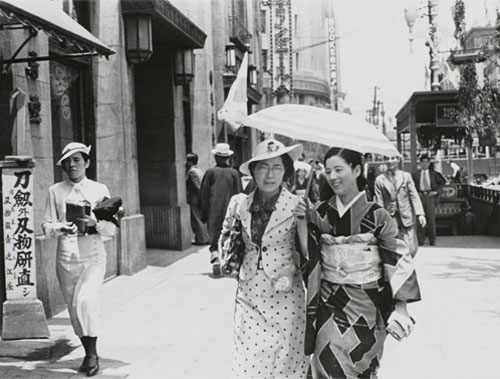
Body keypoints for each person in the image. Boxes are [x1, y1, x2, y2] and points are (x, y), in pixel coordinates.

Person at [295, 147, 421, 379]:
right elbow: (308, 253)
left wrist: (401, 306)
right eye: (328, 170)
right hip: (330, 302)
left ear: (355, 170)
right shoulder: (320, 212)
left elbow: (397, 256)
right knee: (326, 363)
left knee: (361, 366)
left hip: (368, 304)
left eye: (339, 169)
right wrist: (303, 220)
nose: (332, 176)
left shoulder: (377, 215)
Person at [219, 138, 309, 378]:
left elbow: (307, 253)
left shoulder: (297, 205)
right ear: (253, 170)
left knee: (286, 361)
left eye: (277, 167)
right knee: (248, 361)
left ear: (286, 172)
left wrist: (303, 222)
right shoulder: (239, 204)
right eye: (263, 167)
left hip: (285, 294)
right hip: (248, 292)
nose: (270, 175)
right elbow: (226, 234)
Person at [42, 142, 116, 376]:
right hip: (66, 258)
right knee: (74, 308)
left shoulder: (99, 189)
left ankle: (92, 355)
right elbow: (46, 225)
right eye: (67, 161)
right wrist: (60, 227)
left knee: (87, 302)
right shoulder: (55, 191)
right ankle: (88, 351)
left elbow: (111, 229)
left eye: (77, 160)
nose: (72, 165)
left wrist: (96, 223)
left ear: (87, 163)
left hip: (93, 255)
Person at [200, 143, 242, 276]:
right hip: (231, 211)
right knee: (230, 236)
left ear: (215, 157)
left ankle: (215, 255)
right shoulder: (234, 173)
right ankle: (228, 261)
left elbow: (204, 195)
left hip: (213, 210)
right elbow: (240, 194)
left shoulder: (210, 173)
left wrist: (204, 213)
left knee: (214, 236)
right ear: (228, 157)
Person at [374, 156, 426, 257]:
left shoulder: (406, 176)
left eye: (393, 158)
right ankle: (399, 266)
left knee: (411, 247)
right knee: (393, 246)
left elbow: (414, 195)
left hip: (406, 216)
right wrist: (380, 220)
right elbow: (379, 202)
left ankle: (408, 261)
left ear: (398, 160)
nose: (390, 161)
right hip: (390, 217)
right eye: (387, 158)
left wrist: (420, 214)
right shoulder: (379, 180)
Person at [412, 154, 445, 246]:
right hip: (420, 196)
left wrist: (436, 192)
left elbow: (442, 183)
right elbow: (411, 185)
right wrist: (416, 193)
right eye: (423, 162)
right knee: (420, 218)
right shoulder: (415, 174)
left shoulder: (433, 174)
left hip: (430, 196)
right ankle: (420, 239)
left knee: (431, 219)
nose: (425, 164)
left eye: (427, 162)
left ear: (429, 163)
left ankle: (432, 239)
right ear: (420, 163)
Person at [185, 153, 210, 245]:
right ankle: (203, 237)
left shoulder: (192, 172)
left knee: (196, 219)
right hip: (198, 199)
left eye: (187, 160)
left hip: (195, 199)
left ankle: (202, 239)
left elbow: (197, 186)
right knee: (199, 219)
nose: (186, 162)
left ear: (190, 161)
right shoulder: (198, 170)